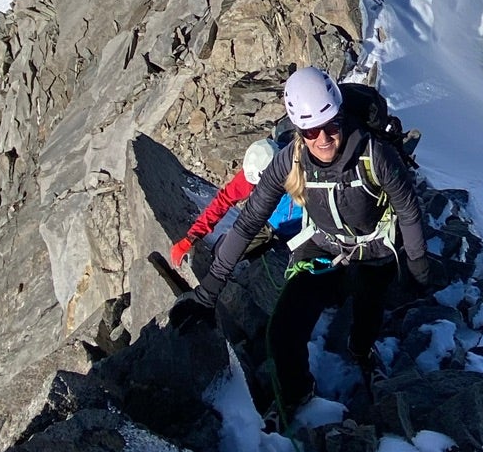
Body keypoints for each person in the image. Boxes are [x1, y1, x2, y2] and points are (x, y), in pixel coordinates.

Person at [170, 66, 431, 422]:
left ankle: (361, 350)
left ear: (341, 115)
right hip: (322, 249)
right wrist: (207, 294)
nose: (322, 139)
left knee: (367, 314)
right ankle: (298, 397)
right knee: (282, 331)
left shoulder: (376, 155)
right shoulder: (289, 160)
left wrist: (418, 268)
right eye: (310, 131)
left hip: (373, 251)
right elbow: (248, 222)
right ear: (298, 130)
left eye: (331, 125)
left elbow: (409, 212)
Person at [165, 137, 305, 268]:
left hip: (299, 227)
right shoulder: (257, 167)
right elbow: (224, 200)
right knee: (223, 253)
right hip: (267, 221)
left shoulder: (303, 167)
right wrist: (192, 237)